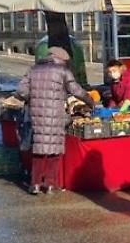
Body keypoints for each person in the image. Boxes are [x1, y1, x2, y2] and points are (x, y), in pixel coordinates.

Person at [16, 46, 91, 195]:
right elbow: (76, 90)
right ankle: (50, 184)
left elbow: (21, 91)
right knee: (54, 151)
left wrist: (32, 100)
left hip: (36, 114)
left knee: (38, 149)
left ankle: (35, 184)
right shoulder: (63, 71)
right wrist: (89, 100)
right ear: (62, 59)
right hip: (55, 114)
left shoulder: (34, 69)